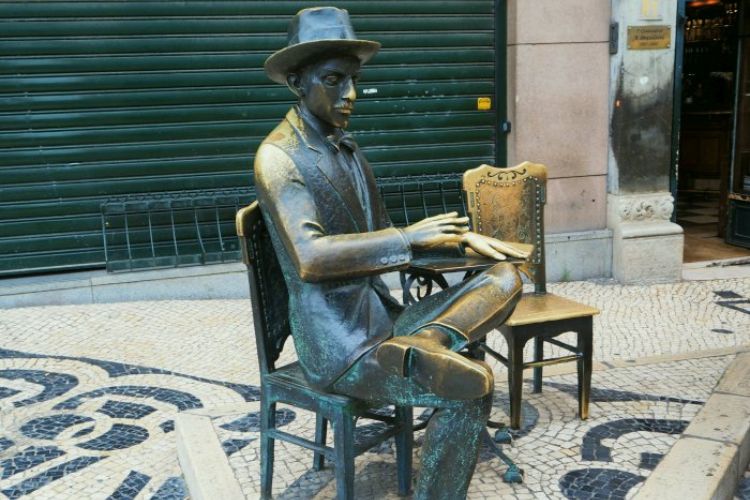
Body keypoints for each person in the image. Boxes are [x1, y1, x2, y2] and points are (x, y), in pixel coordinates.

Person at [254, 7, 527, 499]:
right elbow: (311, 258)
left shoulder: (350, 150)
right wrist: (409, 238)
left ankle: (430, 344)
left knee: (505, 278)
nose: (350, 95)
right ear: (297, 81)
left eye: (354, 80)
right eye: (334, 81)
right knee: (471, 385)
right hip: (340, 345)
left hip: (385, 321)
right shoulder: (278, 158)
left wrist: (458, 243)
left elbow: (384, 241)